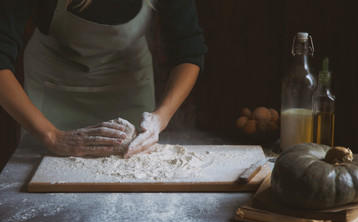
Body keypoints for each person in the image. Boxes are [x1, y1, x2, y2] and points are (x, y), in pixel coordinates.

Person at [0, 0, 207, 157]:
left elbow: (188, 50)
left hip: (129, 86)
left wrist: (161, 118)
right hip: (53, 87)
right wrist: (52, 136)